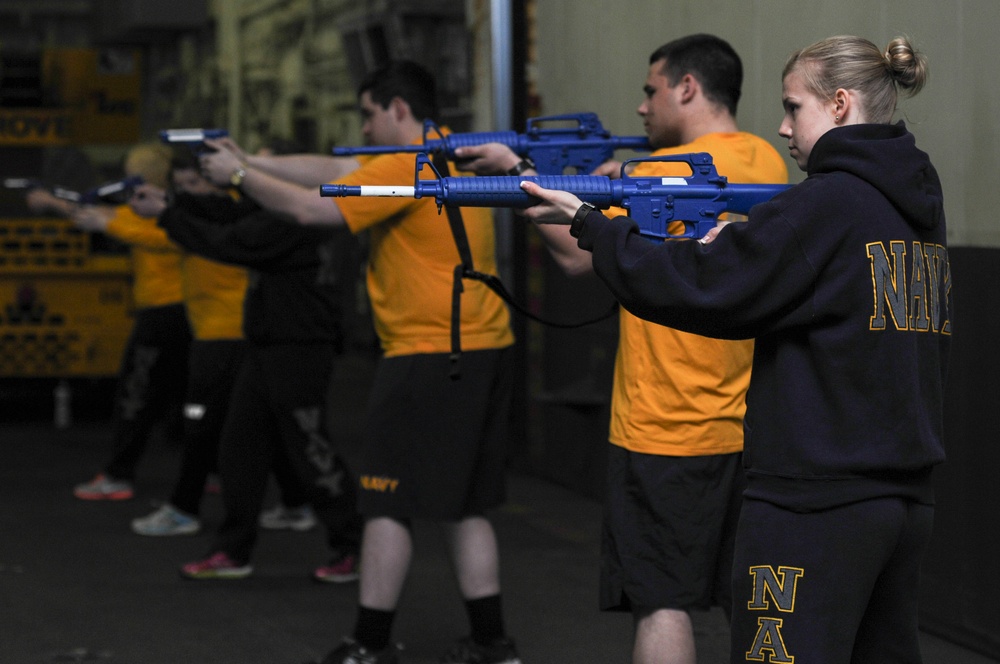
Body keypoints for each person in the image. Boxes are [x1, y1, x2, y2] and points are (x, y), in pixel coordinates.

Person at [515, 35, 947, 664]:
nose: (781, 126)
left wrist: (591, 225)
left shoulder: (824, 203)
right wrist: (742, 249)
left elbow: (703, 290)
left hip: (815, 505)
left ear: (840, 104)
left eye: (794, 107)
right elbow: (825, 301)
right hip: (904, 500)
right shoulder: (914, 209)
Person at [456, 34, 788, 664]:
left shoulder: (656, 173)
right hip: (751, 429)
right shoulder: (765, 161)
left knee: (661, 602)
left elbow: (579, 259)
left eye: (650, 90)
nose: (641, 109)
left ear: (687, 88)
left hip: (663, 429)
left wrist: (523, 177)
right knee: (754, 603)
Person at [198, 60, 519, 664]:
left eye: (369, 114)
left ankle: (369, 645)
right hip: (482, 346)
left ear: (399, 108)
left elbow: (316, 209)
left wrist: (238, 174)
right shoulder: (449, 154)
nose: (364, 128)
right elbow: (338, 169)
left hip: (429, 355)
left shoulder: (404, 167)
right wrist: (254, 159)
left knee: (385, 499)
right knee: (465, 504)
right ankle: (492, 643)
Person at [127, 154, 364, 582]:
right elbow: (233, 213)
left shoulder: (297, 218)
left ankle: (353, 546)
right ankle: (233, 551)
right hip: (267, 343)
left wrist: (166, 215)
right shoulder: (294, 209)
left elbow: (232, 242)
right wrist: (175, 203)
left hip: (298, 348)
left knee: (311, 450)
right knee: (240, 447)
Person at [75, 154, 250, 537]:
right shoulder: (208, 214)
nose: (187, 194)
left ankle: (185, 506)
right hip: (209, 328)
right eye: (181, 186)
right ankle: (291, 505)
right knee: (239, 421)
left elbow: (168, 235)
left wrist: (111, 221)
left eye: (195, 185)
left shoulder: (221, 215)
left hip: (224, 331)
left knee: (204, 421)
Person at [25, 143, 192, 502]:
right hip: (185, 316)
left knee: (136, 394)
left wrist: (107, 223)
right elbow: (103, 215)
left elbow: (158, 234)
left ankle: (119, 474)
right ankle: (207, 471)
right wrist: (53, 203)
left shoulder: (172, 213)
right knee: (188, 398)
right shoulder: (158, 209)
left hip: (164, 314)